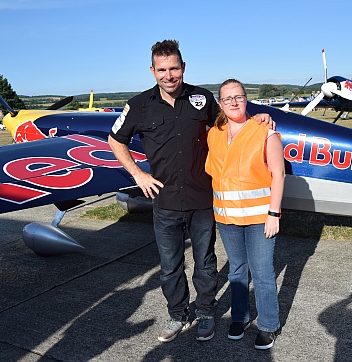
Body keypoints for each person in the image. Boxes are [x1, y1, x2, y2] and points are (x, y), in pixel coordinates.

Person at [108, 40, 274, 343]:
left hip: (201, 200)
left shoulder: (202, 98)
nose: (168, 75)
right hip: (165, 201)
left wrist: (257, 118)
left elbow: (230, 119)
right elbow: (115, 140)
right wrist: (138, 174)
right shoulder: (138, 105)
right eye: (162, 69)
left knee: (205, 263)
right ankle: (177, 314)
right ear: (152, 70)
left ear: (183, 67)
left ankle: (206, 313)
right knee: (170, 267)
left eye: (174, 68)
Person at [205, 79, 285, 350]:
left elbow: (278, 174)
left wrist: (274, 213)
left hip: (260, 217)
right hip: (227, 218)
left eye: (238, 97)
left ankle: (268, 325)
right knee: (237, 272)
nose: (234, 102)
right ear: (220, 103)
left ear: (246, 98)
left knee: (262, 272)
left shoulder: (265, 131)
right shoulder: (214, 133)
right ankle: (239, 317)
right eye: (227, 99)